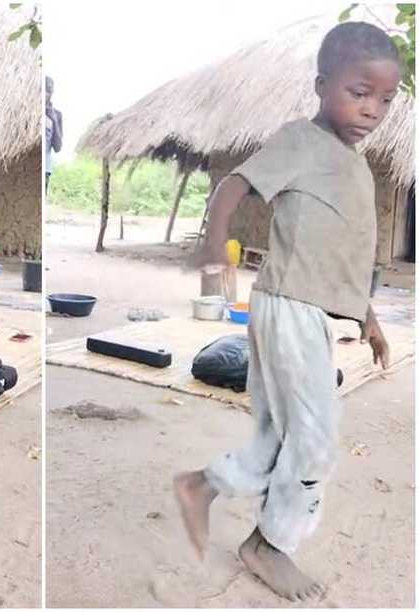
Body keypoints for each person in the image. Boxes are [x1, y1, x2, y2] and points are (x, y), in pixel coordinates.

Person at [174, 22, 398, 602]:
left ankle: (204, 486)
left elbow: (341, 255)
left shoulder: (353, 163)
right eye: (359, 92)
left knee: (281, 433)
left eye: (385, 99)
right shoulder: (301, 139)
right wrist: (212, 243)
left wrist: (366, 318)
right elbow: (234, 183)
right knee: (316, 438)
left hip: (308, 313)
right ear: (323, 86)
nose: (372, 108)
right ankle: (270, 546)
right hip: (288, 308)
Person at [44, 75, 62, 199]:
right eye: (44, 90)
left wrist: (53, 121)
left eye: (49, 90)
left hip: (46, 168)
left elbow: (58, 147)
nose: (46, 93)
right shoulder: (27, 110)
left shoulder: (57, 115)